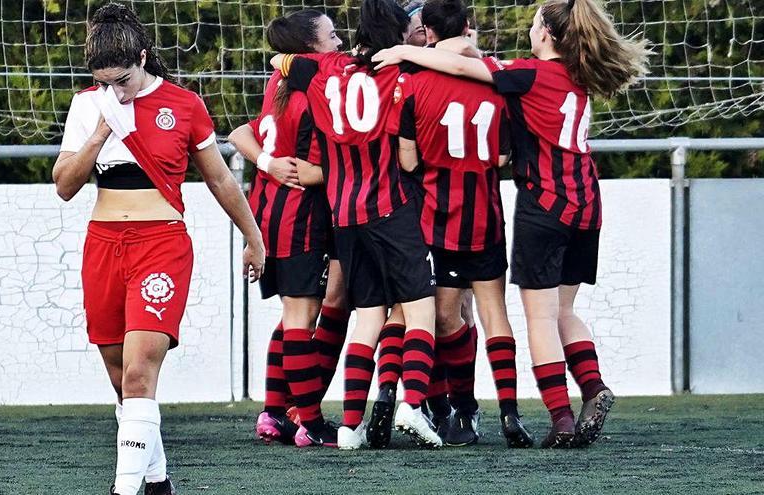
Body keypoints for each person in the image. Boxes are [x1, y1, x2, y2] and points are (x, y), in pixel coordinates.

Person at [373, 0, 650, 448]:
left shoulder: (528, 74)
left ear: (546, 35)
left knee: (539, 318)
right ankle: (592, 386)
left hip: (544, 203)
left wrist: (407, 53)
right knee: (563, 311)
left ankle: (560, 419)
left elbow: (462, 67)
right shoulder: (579, 76)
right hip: (587, 200)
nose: (531, 27)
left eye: (536, 22)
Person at [52, 3, 264, 493]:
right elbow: (63, 186)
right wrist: (103, 130)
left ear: (143, 57)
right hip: (104, 244)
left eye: (122, 79)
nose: (115, 90)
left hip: (161, 243)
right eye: (105, 81)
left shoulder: (184, 104)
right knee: (118, 371)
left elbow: (218, 179)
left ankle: (123, 489)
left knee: (141, 367)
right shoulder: (89, 105)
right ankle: (157, 480)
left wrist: (253, 237)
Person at [272, 0, 441, 450]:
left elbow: (279, 59)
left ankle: (349, 427)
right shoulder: (403, 74)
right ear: (399, 35)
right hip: (391, 205)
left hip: (344, 213)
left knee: (366, 315)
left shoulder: (327, 69)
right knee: (421, 308)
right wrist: (406, 55)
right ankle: (412, 404)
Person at [391, 0, 535, 448]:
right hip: (486, 216)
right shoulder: (495, 79)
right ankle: (510, 413)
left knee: (444, 317)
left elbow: (407, 159)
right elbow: (503, 156)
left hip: (439, 218)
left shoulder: (412, 82)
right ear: (468, 27)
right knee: (494, 313)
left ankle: (460, 411)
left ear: (428, 33)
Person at [228, 9, 347, 448]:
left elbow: (242, 133)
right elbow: (314, 169)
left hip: (267, 215)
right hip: (300, 217)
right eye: (331, 36)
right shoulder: (314, 89)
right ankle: (311, 425)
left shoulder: (276, 84)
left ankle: (273, 414)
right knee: (301, 318)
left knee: (289, 317)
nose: (338, 43)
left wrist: (267, 163)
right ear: (310, 47)